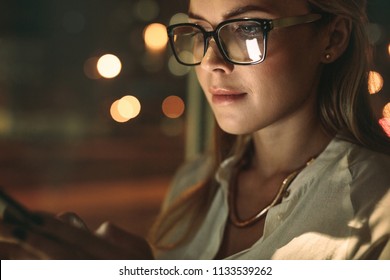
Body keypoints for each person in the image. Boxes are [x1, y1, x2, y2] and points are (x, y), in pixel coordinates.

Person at [0, 0, 389, 259]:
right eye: (200, 32)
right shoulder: (193, 185)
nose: (211, 61)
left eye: (248, 30)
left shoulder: (377, 206)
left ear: (332, 38)